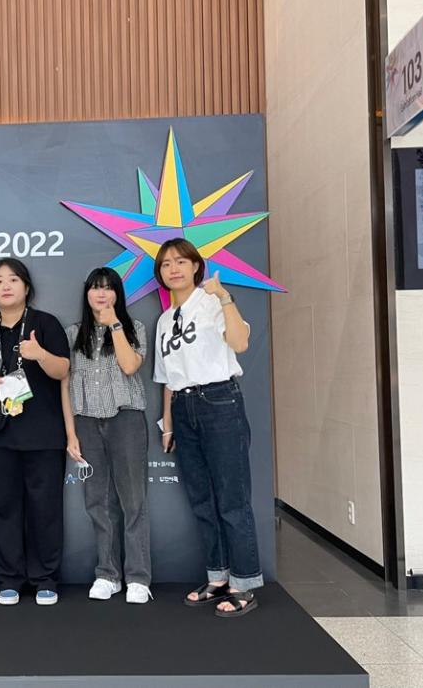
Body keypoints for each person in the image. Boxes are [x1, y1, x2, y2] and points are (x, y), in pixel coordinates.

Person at [153, 237, 261, 618]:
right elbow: (167, 378)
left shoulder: (212, 302)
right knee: (202, 499)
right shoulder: (165, 320)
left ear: (196, 266)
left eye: (181, 261)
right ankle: (218, 576)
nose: (174, 269)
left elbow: (240, 342)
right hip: (183, 408)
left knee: (232, 498)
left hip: (219, 401)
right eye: (166, 264)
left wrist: (225, 297)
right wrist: (168, 426)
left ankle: (244, 583)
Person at [0, 258, 70, 606]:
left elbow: (62, 370)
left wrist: (39, 353)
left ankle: (45, 579)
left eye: (12, 279)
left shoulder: (45, 324)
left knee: (46, 509)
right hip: (1, 436)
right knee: (3, 507)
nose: (5, 286)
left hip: (44, 435)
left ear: (26, 287)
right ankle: (9, 579)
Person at [61, 267, 152, 604]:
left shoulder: (134, 328)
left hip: (126, 419)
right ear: (86, 293)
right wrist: (70, 433)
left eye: (108, 288)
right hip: (86, 422)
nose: (101, 294)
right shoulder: (74, 334)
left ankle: (139, 577)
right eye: (95, 288)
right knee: (98, 501)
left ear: (118, 294)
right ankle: (107, 574)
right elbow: (65, 385)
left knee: (133, 500)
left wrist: (114, 324)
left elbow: (129, 366)